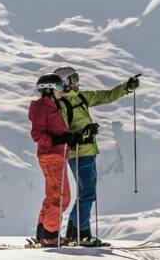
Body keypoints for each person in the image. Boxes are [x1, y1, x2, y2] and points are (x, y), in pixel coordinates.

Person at [53, 65, 140, 246]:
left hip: (88, 151)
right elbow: (64, 133)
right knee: (87, 193)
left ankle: (74, 232)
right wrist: (84, 132)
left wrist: (126, 87)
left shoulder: (81, 97)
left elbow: (106, 96)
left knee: (85, 192)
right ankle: (82, 234)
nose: (78, 82)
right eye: (74, 79)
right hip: (78, 153)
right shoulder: (61, 105)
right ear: (66, 83)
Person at [27, 73, 77, 247]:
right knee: (61, 196)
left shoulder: (50, 106)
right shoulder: (42, 106)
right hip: (51, 155)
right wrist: (58, 140)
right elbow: (37, 134)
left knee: (53, 196)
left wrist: (68, 138)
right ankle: (50, 236)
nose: (61, 91)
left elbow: (55, 132)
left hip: (56, 155)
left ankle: (43, 234)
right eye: (59, 87)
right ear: (49, 89)